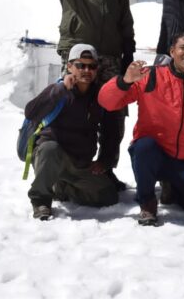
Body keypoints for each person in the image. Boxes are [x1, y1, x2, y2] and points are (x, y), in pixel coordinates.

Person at [35, 0, 135, 187]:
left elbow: (125, 21)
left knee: (113, 115)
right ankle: (60, 169)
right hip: (80, 57)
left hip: (111, 59)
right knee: (75, 112)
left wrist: (127, 56)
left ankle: (105, 167)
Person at [98, 30, 184, 225]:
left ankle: (174, 187)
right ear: (172, 51)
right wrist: (124, 81)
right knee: (144, 146)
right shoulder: (150, 76)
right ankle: (147, 201)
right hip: (153, 157)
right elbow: (107, 102)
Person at [26, 44, 119, 220]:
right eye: (80, 65)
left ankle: (60, 186)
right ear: (69, 66)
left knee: (108, 196)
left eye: (91, 66)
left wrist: (105, 160)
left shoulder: (100, 96)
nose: (86, 70)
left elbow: (110, 131)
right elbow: (31, 112)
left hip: (79, 164)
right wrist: (60, 91)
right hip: (52, 158)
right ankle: (41, 201)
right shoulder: (58, 90)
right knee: (50, 148)